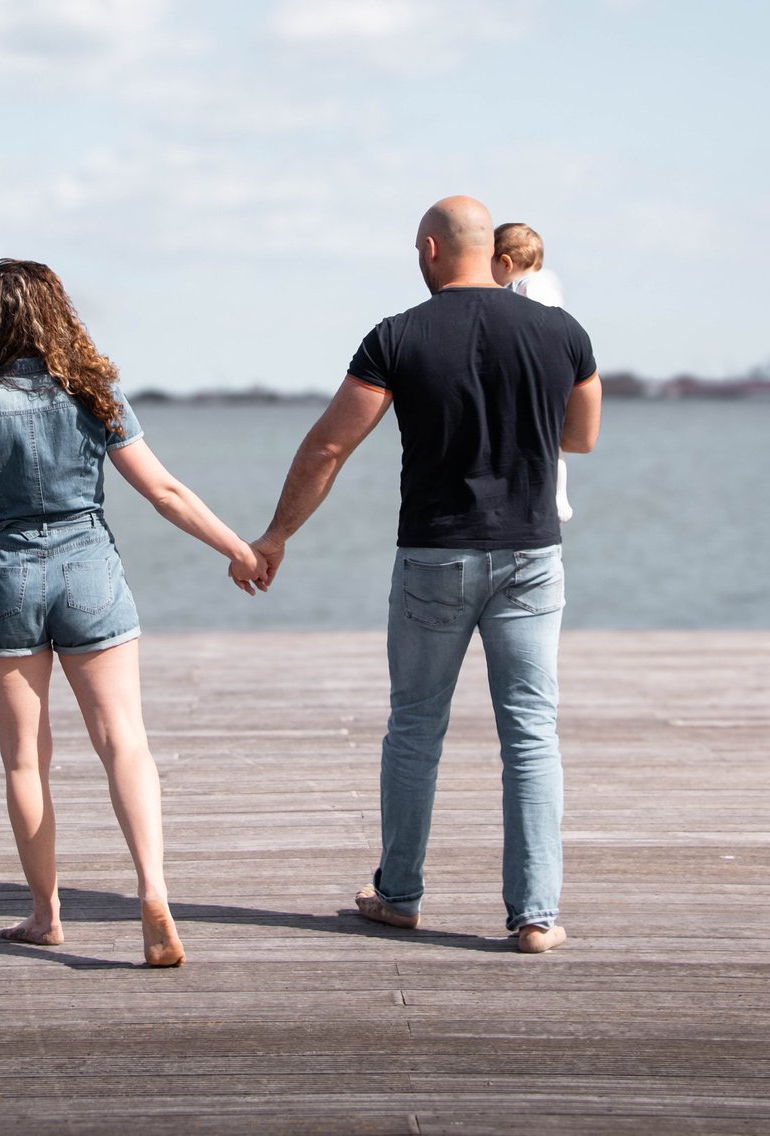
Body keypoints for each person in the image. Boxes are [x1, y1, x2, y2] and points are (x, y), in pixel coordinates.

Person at [249, 197, 600, 953]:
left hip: (434, 557)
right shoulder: (563, 333)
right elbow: (583, 433)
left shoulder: (397, 336)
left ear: (435, 251)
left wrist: (277, 534)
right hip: (533, 557)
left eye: (418, 249)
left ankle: (400, 894)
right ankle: (535, 916)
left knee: (415, 729)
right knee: (531, 736)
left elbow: (328, 448)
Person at [0, 258, 267, 966]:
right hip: (91, 573)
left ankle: (46, 915)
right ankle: (152, 891)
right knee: (125, 743)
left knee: (25, 762)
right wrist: (237, 548)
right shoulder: (96, 390)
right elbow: (165, 492)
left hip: (8, 579)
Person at [492, 221, 574, 522]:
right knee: (552, 442)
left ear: (505, 262)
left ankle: (556, 497)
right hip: (550, 371)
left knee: (547, 442)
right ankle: (555, 497)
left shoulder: (528, 286)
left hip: (537, 372)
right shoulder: (544, 280)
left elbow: (539, 324)